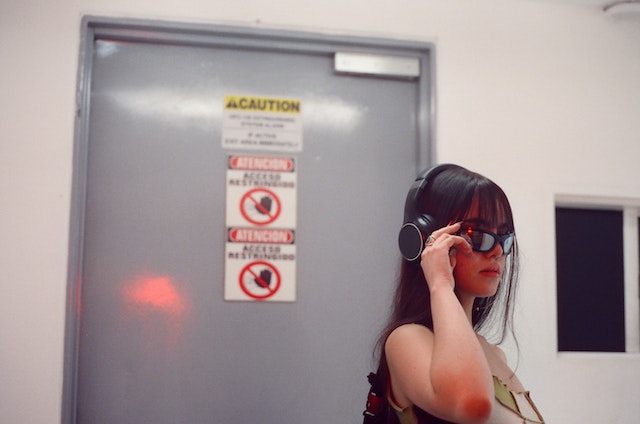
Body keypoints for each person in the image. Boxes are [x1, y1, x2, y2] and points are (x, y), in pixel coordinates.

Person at [364, 164, 544, 424]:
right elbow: (471, 404)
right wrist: (439, 283)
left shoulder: (493, 353)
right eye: (479, 235)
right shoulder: (406, 340)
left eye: (503, 238)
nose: (497, 252)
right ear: (428, 239)